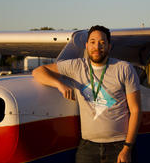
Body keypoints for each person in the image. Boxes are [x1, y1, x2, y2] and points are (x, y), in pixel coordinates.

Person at [33, 25, 142, 163]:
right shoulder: (76, 66)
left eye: (102, 43)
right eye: (93, 42)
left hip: (118, 145)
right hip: (88, 146)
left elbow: (136, 110)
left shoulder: (124, 68)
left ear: (109, 47)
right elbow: (38, 72)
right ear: (86, 45)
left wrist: (127, 148)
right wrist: (59, 85)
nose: (97, 47)